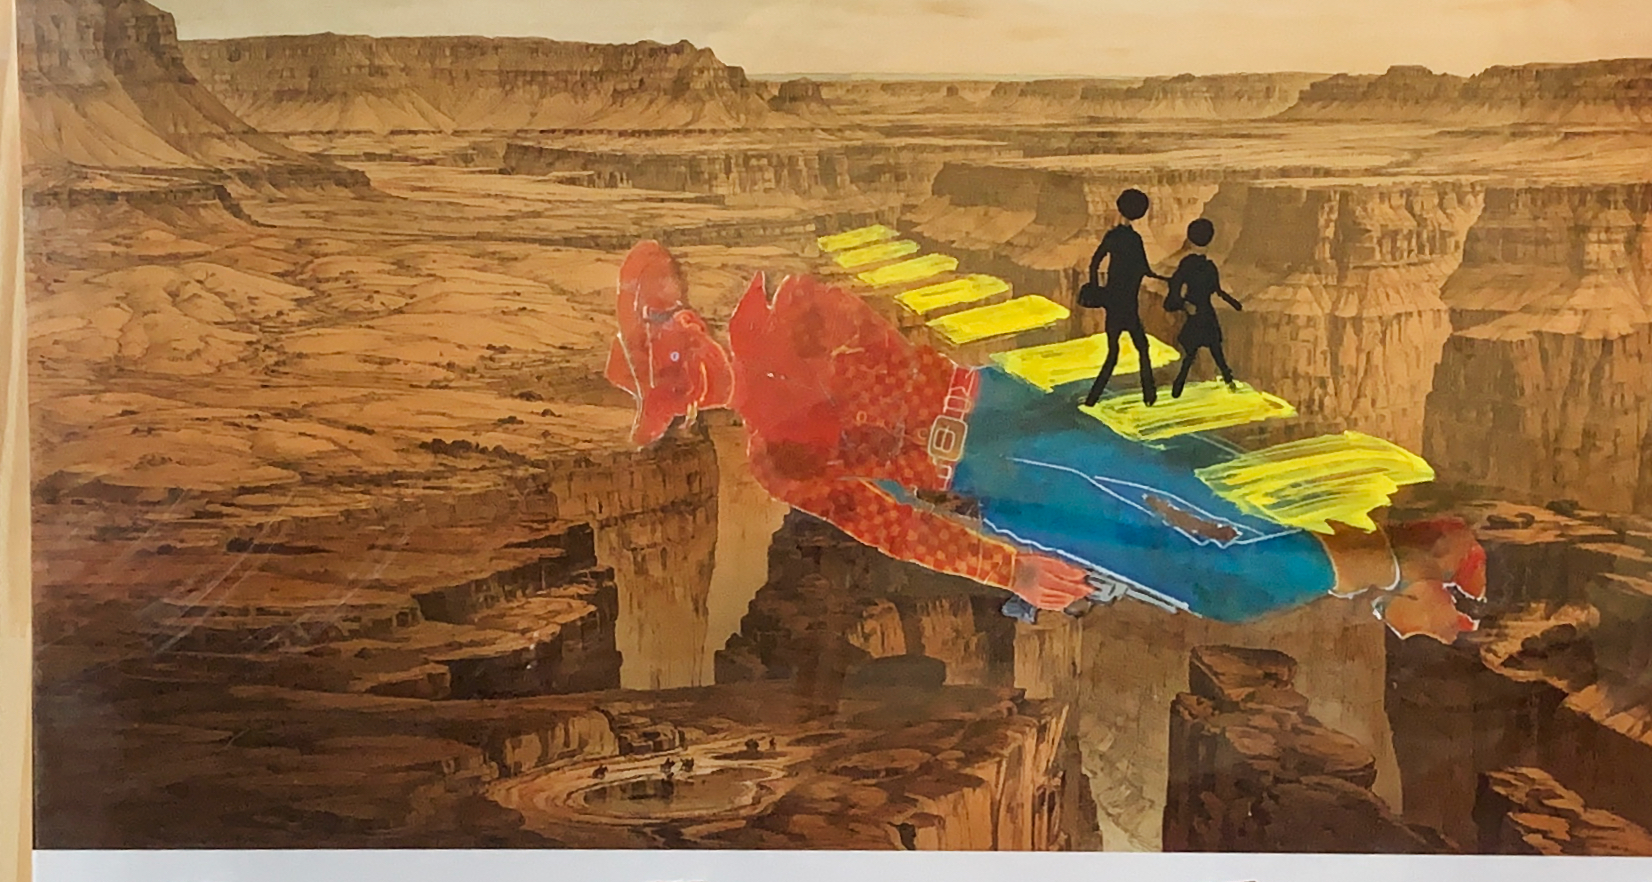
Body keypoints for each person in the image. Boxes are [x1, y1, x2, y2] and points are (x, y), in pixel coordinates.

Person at [603, 240, 1484, 641]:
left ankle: (1419, 558)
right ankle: (1404, 568)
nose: (690, 387)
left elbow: (890, 350)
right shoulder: (770, 456)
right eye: (673, 394)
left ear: (685, 322)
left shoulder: (786, 307)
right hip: (995, 493)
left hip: (1000, 423)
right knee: (1202, 578)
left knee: (1218, 498)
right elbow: (892, 527)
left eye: (674, 362)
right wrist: (1009, 570)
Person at [1082, 187, 1164, 408]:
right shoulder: (1134, 239)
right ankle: (1149, 395)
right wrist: (1165, 278)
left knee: (1113, 353)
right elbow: (1145, 269)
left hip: (1113, 302)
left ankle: (1092, 399)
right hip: (1128, 303)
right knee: (1142, 348)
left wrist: (1096, 287)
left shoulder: (1113, 237)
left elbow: (1095, 262)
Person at [1164, 218, 1241, 398]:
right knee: (1214, 350)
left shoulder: (1189, 265)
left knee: (1193, 353)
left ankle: (1179, 385)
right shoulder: (1208, 267)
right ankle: (1228, 381)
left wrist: (1184, 304)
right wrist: (1233, 302)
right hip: (1205, 313)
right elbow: (1218, 290)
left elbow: (1176, 286)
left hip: (1197, 314)